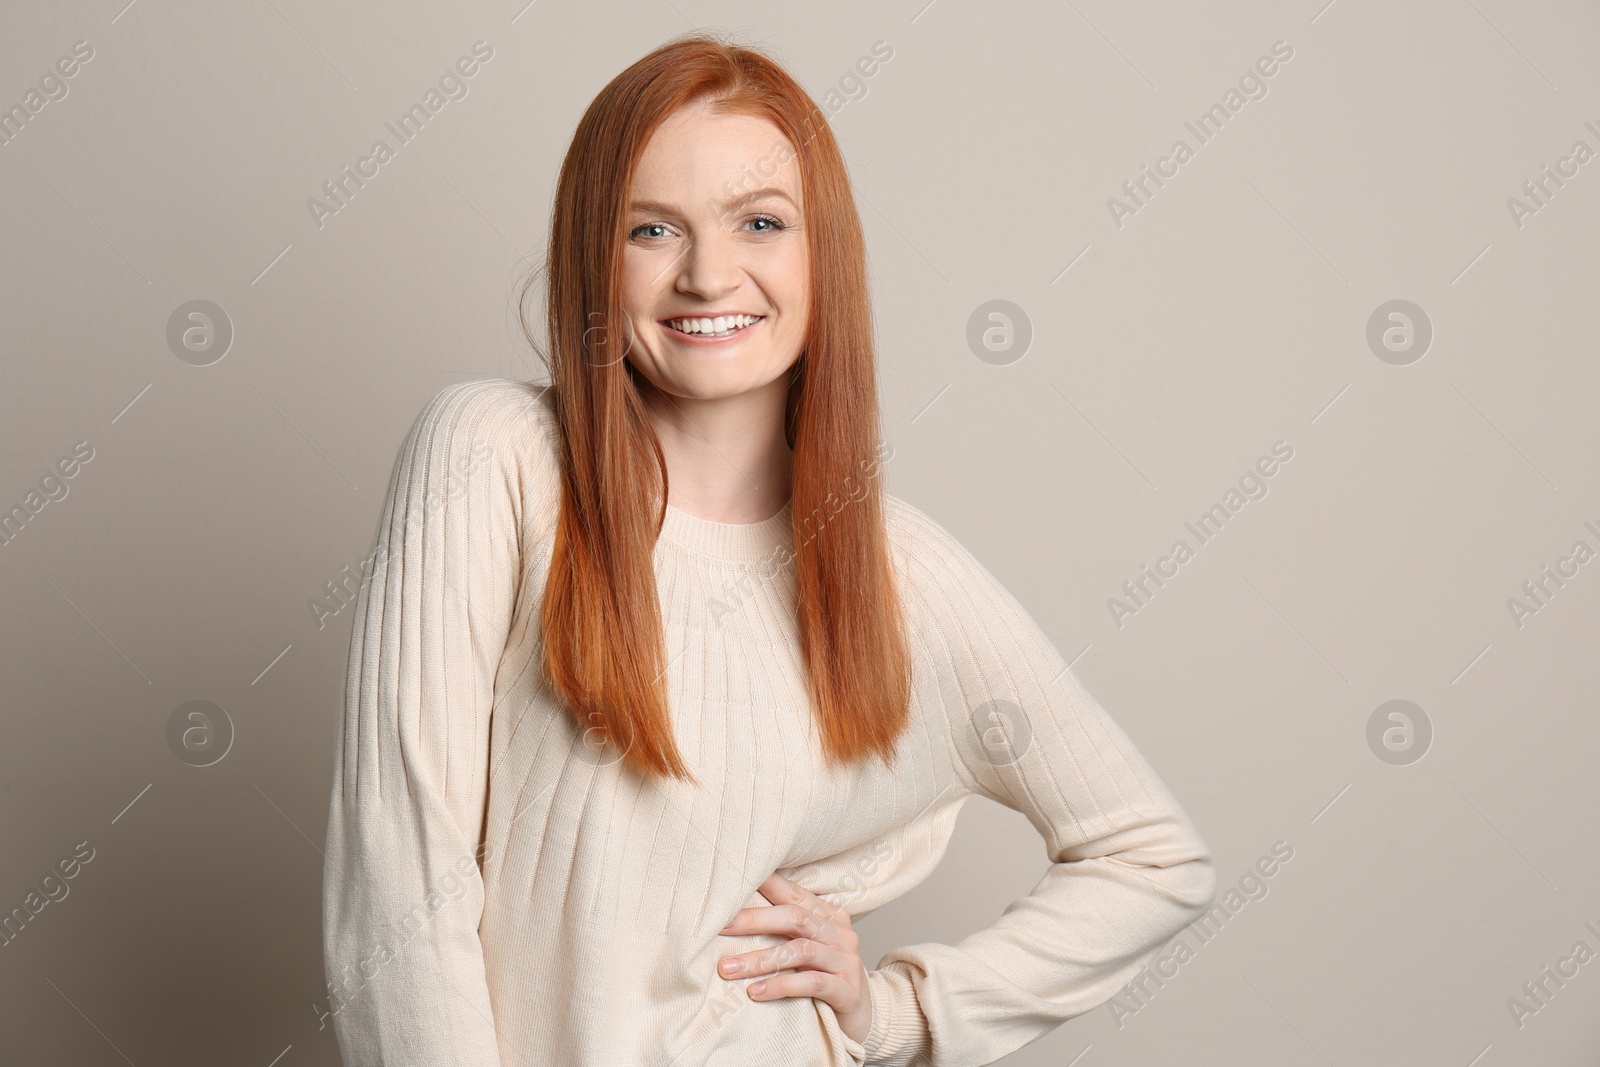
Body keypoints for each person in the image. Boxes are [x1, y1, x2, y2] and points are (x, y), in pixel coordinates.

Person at [321, 30, 1216, 1067]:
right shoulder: (490, 456)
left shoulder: (899, 574)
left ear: (818, 254)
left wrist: (899, 1010)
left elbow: (1150, 856)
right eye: (652, 228)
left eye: (759, 222)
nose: (709, 274)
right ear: (590, 259)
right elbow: (400, 875)